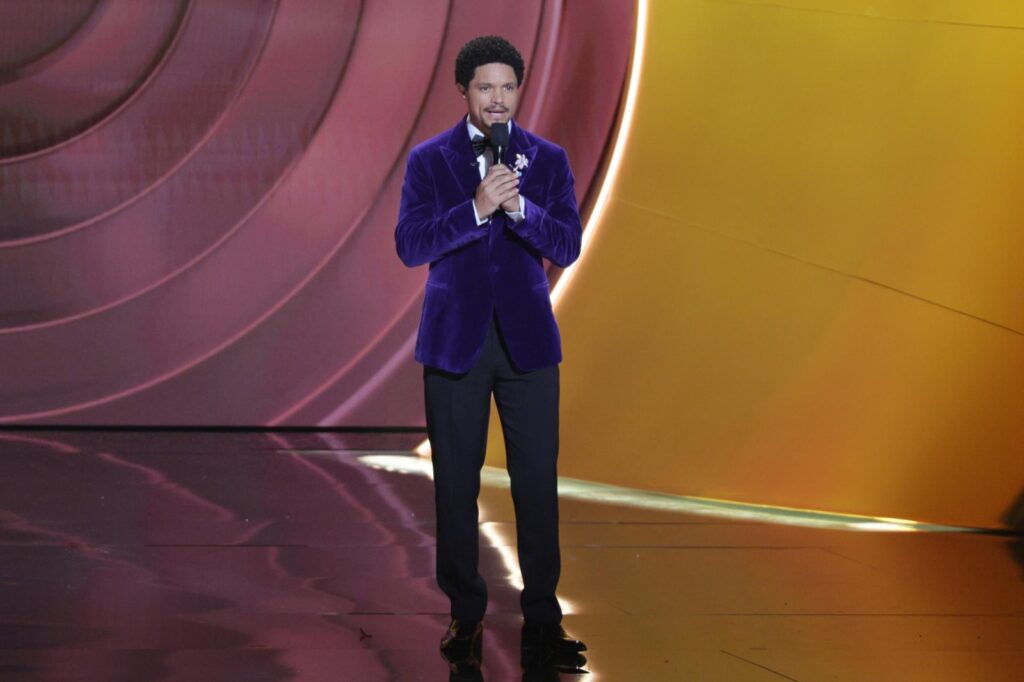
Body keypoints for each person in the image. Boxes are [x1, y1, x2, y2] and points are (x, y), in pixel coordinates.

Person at [395, 35, 587, 670]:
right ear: (464, 91)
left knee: (536, 484)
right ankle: (465, 614)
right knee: (456, 484)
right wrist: (475, 209)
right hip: (456, 343)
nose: (498, 99)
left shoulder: (547, 159)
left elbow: (568, 245)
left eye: (508, 87)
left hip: (528, 345)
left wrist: (521, 208)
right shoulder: (429, 160)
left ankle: (543, 620)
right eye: (486, 87)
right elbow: (411, 244)